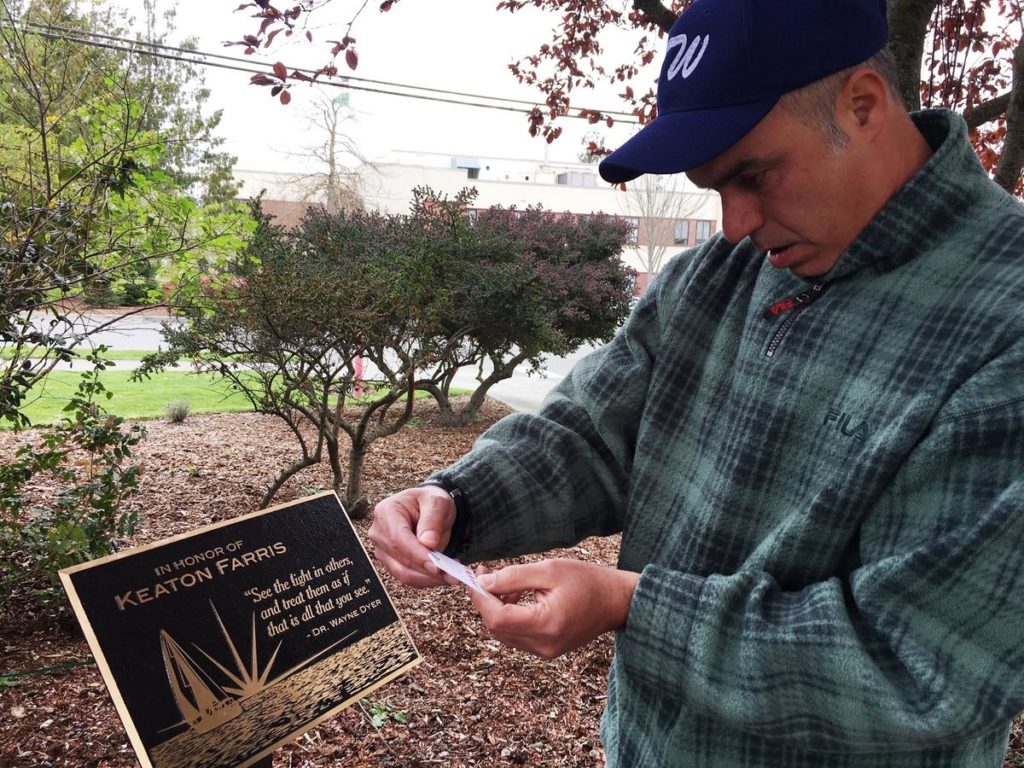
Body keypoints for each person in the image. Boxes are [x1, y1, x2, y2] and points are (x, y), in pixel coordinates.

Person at [369, 0, 1024, 764]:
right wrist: (457, 501)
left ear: (864, 105)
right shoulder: (721, 276)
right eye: (713, 187)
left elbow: (923, 666)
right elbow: (594, 434)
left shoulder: (1002, 326)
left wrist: (634, 608)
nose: (735, 223)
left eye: (753, 174)